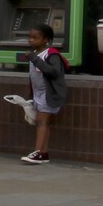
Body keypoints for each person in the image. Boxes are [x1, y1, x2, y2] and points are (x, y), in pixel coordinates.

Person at [19, 23, 68, 165]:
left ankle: (39, 152)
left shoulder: (51, 54)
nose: (31, 41)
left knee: (42, 121)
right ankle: (43, 152)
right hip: (39, 94)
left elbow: (53, 72)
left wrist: (34, 59)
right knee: (43, 122)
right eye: (30, 37)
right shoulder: (36, 54)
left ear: (45, 39)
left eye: (36, 38)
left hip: (48, 94)